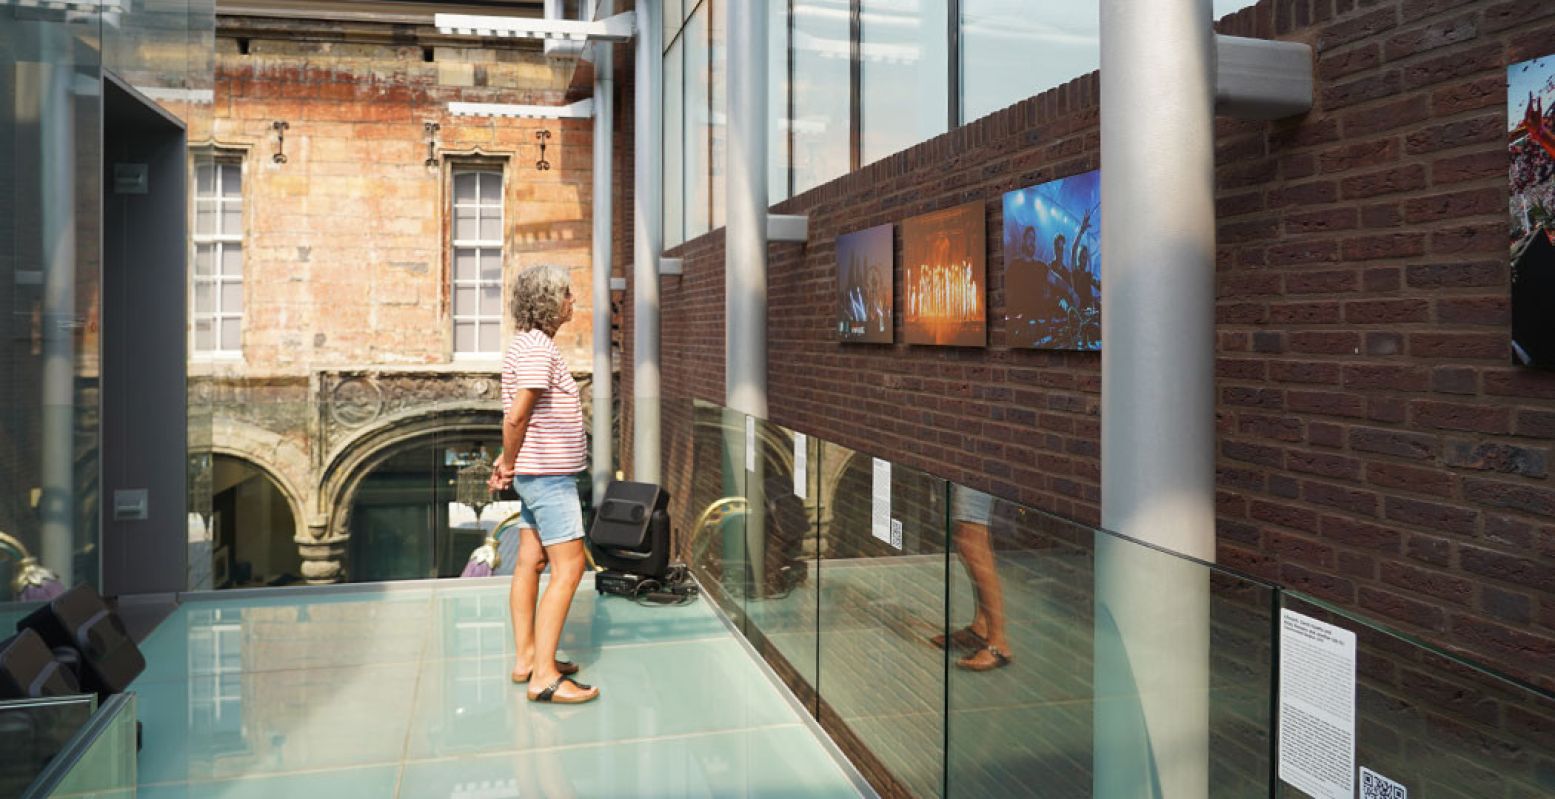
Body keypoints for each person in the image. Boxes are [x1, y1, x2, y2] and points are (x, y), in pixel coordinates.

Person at [488, 264, 599, 704]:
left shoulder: (528, 346)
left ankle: (528, 659)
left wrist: (508, 461)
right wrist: (510, 463)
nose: (574, 300)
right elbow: (517, 414)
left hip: (538, 474)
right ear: (550, 302)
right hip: (549, 478)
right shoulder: (537, 349)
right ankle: (546, 678)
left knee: (530, 563)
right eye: (567, 294)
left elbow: (523, 420)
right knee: (569, 568)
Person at [932, 485, 1012, 671]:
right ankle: (981, 627)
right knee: (970, 540)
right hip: (973, 461)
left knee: (971, 541)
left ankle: (998, 643)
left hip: (980, 462)